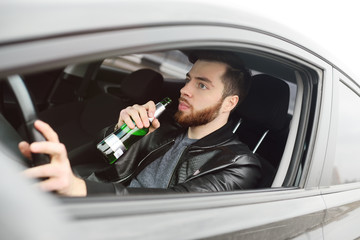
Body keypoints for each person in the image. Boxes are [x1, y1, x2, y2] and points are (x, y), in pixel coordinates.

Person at [19, 50, 262, 197]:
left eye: (202, 85)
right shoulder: (163, 128)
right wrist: (121, 130)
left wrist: (81, 190)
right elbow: (106, 156)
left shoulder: (239, 164)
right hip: (94, 201)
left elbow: (175, 205)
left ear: (229, 102)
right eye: (188, 80)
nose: (184, 89)